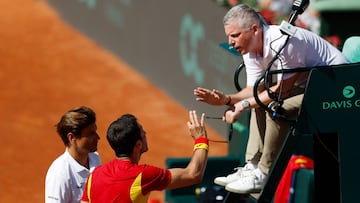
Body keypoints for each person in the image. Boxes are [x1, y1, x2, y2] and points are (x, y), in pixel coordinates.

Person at [194, 4, 348, 194]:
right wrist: (227, 99)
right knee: (260, 103)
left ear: (254, 29)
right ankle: (252, 167)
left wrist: (241, 105)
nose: (231, 42)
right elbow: (254, 90)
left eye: (235, 35)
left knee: (276, 108)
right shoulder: (250, 49)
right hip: (309, 83)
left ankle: (263, 172)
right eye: (228, 36)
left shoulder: (283, 41)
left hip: (337, 87)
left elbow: (280, 92)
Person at [80, 110, 208, 203]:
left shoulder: (94, 175)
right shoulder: (143, 176)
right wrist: (201, 139)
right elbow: (193, 174)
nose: (146, 133)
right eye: (143, 132)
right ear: (138, 145)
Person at [45, 106, 101, 203]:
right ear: (71, 138)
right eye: (91, 134)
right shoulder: (60, 174)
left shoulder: (95, 158)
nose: (97, 137)